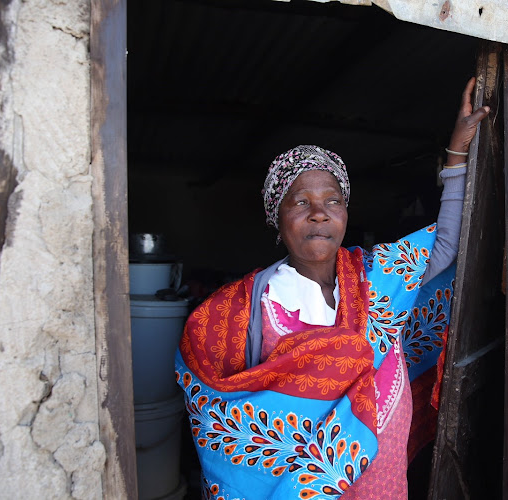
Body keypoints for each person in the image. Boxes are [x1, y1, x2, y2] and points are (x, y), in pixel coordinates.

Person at [175, 78, 489, 499]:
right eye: (300, 201)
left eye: (333, 200)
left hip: (381, 481)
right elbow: (217, 414)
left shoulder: (376, 272)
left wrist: (456, 152)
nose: (319, 213)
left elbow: (447, 244)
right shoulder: (244, 309)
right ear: (277, 216)